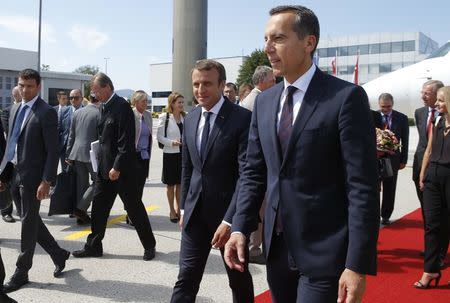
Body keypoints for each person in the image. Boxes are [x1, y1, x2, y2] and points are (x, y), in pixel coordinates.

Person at [224, 6, 379, 303]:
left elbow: (362, 187)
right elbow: (254, 173)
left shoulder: (345, 98)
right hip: (277, 250)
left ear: (309, 42)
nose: (268, 47)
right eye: (266, 38)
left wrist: (357, 264)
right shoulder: (265, 103)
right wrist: (240, 225)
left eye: (278, 38)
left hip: (326, 252)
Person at [170, 59, 254, 302]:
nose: (200, 90)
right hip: (195, 214)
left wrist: (230, 220)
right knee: (186, 278)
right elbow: (187, 167)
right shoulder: (192, 118)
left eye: (206, 84)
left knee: (238, 279)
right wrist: (184, 206)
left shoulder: (241, 119)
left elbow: (246, 175)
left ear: (221, 85)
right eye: (196, 84)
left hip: (230, 217)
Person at [72, 73, 156, 261]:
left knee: (134, 208)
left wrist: (117, 167)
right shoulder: (105, 107)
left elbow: (125, 142)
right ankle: (93, 246)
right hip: (104, 170)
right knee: (100, 209)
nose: (94, 95)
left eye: (96, 91)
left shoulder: (122, 107)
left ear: (107, 87)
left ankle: (149, 245)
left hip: (122, 172)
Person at [0, 69, 70, 293]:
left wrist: (47, 180)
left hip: (34, 178)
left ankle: (22, 272)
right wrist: (3, 174)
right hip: (14, 174)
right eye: (21, 85)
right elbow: (10, 145)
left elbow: (52, 150)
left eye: (29, 86)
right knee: (28, 219)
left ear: (38, 86)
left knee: (28, 225)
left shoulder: (46, 112)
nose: (24, 89)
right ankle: (59, 254)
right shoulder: (15, 109)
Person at [240, 65, 276, 264]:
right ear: (261, 81)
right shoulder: (258, 101)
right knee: (259, 209)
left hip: (253, 163)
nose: (275, 83)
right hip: (257, 165)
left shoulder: (253, 99)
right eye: (272, 80)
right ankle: (254, 249)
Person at [416, 86, 450, 288]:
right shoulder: (437, 121)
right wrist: (423, 175)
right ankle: (430, 270)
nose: (437, 104)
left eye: (441, 100)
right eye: (436, 100)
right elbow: (429, 149)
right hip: (432, 178)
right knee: (432, 225)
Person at [65, 89, 100, 224]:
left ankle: (81, 215)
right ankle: (80, 209)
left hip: (76, 153)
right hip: (92, 153)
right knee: (99, 182)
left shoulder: (78, 112)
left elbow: (71, 135)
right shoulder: (99, 113)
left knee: (82, 184)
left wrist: (68, 154)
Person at [378, 93, 409, 225]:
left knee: (390, 188)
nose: (386, 109)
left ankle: (385, 215)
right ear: (379, 105)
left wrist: (403, 160)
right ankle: (373, 215)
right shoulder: (372, 116)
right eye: (383, 107)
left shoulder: (401, 118)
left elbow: (405, 141)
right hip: (375, 159)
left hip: (393, 159)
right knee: (374, 188)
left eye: (388, 106)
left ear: (393, 104)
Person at [157, 92, 185, 223]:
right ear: (172, 103)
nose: (181, 104)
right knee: (170, 185)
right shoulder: (165, 117)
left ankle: (179, 209)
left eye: (182, 102)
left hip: (183, 154)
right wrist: (172, 143)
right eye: (179, 102)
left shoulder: (186, 117)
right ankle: (172, 211)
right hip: (170, 154)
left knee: (180, 184)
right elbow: (160, 137)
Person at [129, 90, 153, 224]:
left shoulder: (148, 115)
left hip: (145, 157)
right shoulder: (130, 114)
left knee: (140, 187)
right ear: (136, 102)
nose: (146, 103)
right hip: (133, 157)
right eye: (144, 101)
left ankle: (134, 213)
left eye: (147, 101)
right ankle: (132, 214)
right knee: (133, 188)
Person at [0, 86, 22, 222]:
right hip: (10, 153)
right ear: (15, 95)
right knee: (6, 183)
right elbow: (8, 132)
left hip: (24, 154)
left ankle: (21, 210)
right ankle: (6, 210)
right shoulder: (7, 111)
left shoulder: (30, 110)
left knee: (19, 183)